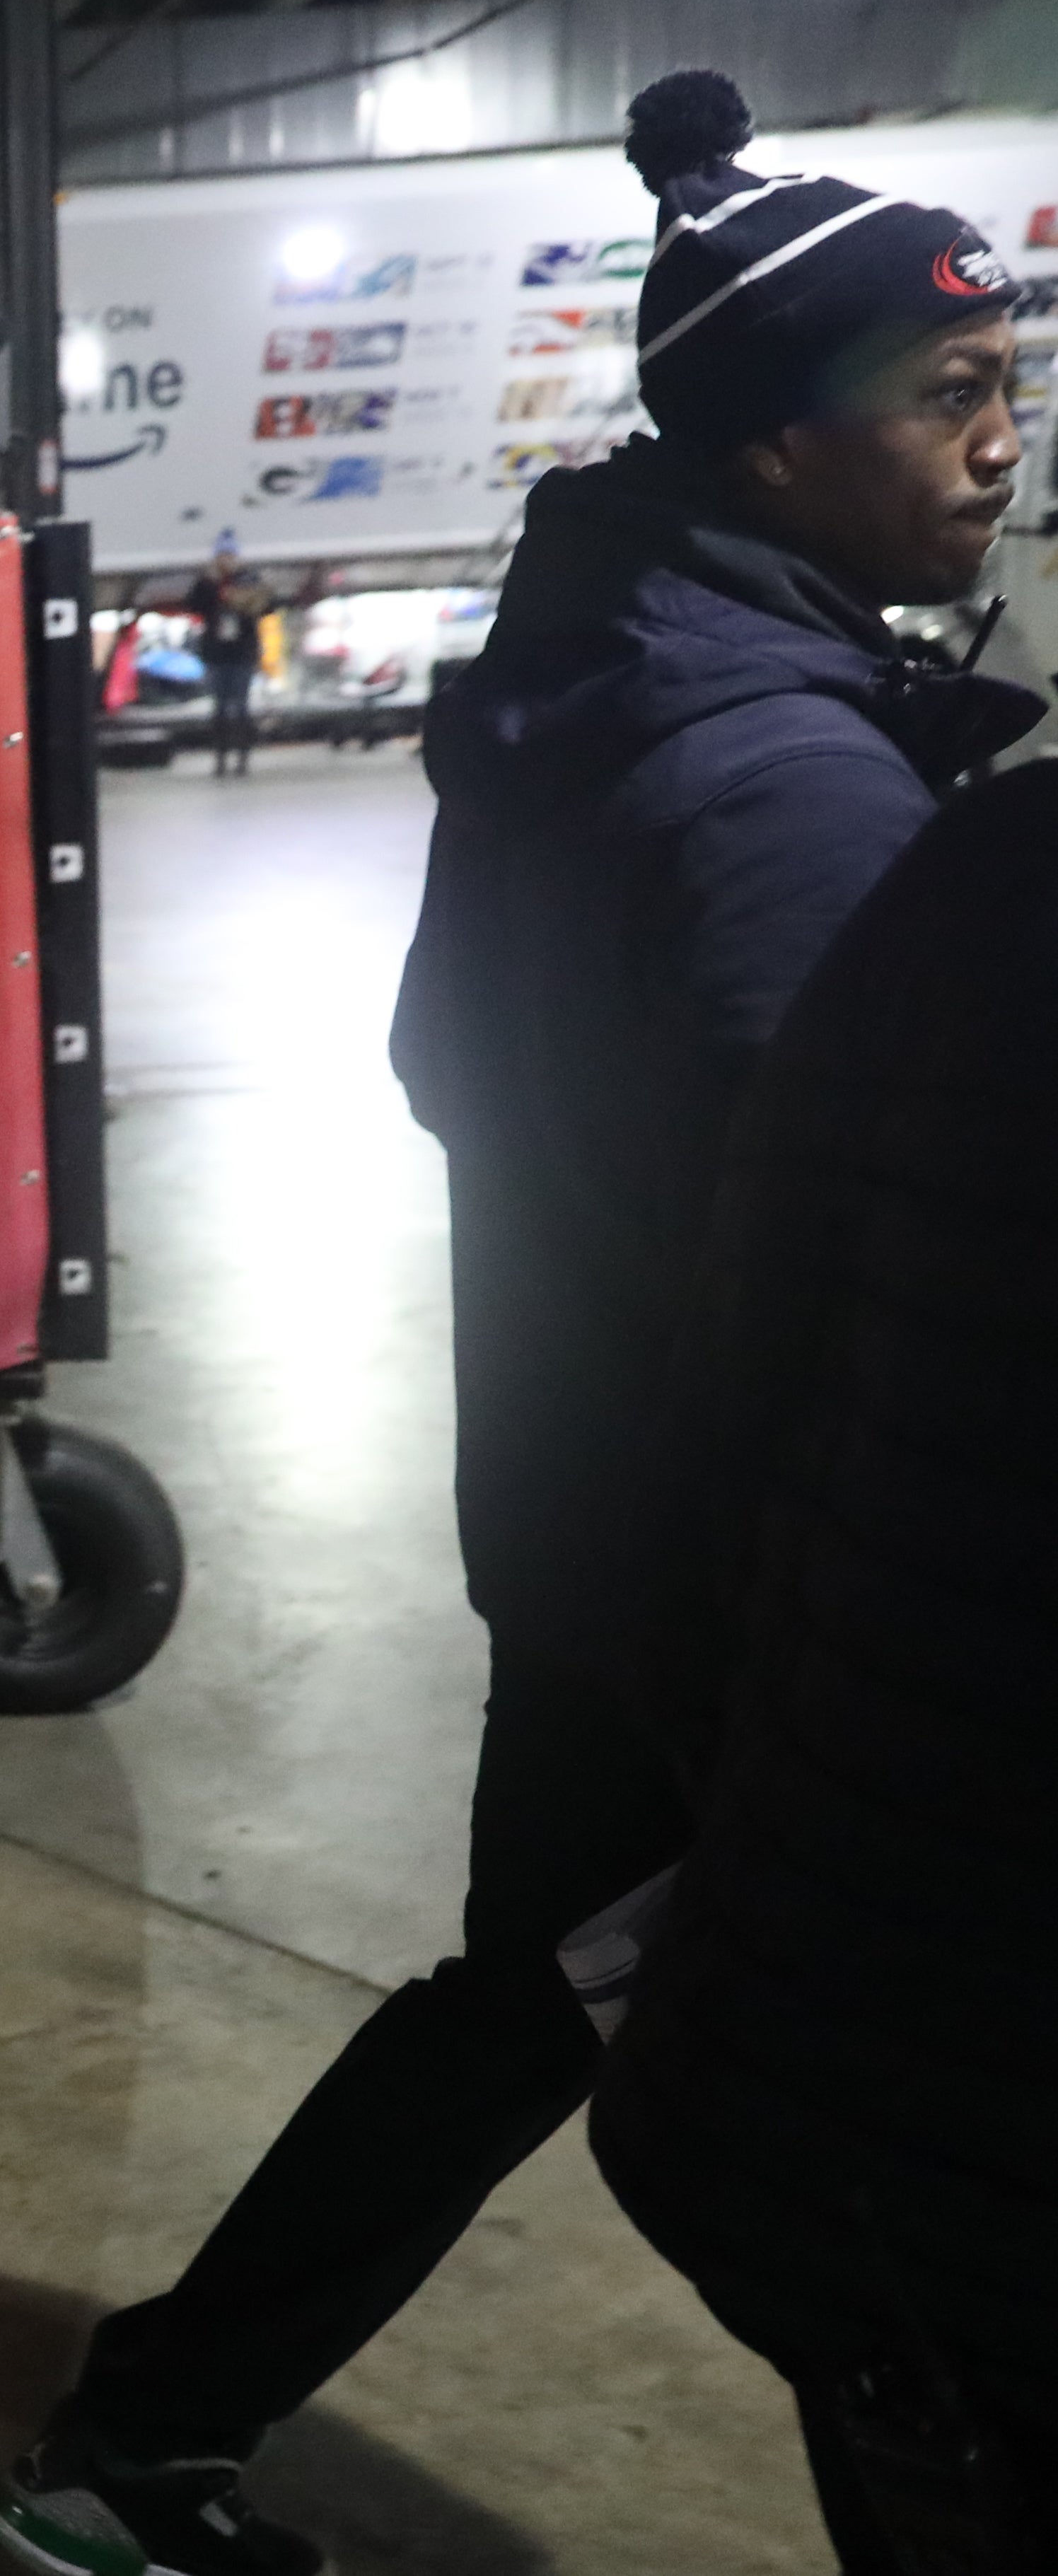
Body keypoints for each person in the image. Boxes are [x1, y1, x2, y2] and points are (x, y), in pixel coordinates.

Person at [0, 70, 1037, 2576]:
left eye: (1014, 391)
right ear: (776, 448)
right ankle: (127, 2450)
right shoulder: (780, 792)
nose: (1000, 445)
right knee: (868, 2171)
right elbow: (904, 1276)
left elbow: (458, 1067)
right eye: (949, 398)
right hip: (728, 1580)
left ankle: (135, 2444)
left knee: (541, 1999)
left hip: (597, 1501)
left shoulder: (614, 672)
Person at [588, 753, 1058, 2575]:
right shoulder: (891, 830)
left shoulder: (985, 869)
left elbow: (714, 1437)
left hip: (886, 2121)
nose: (997, 443)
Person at [183, 538, 272, 776]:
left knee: (240, 705)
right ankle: (220, 758)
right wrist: (210, 585)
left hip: (242, 652)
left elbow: (266, 607)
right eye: (222, 556)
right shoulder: (209, 582)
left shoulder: (249, 580)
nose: (226, 561)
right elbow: (194, 606)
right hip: (217, 652)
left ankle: (243, 758)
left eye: (230, 556)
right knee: (220, 707)